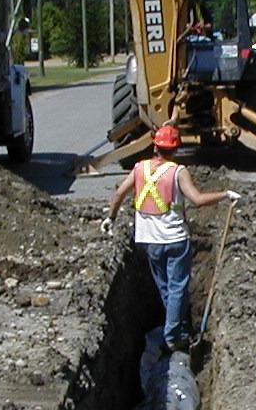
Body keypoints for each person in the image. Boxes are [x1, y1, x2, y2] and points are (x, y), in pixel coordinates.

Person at [101, 125, 241, 352]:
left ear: (155, 145)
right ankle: (173, 336)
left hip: (149, 241)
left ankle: (178, 328)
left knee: (166, 287)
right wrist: (225, 194)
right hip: (176, 239)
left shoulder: (140, 169)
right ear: (175, 148)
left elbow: (118, 193)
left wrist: (111, 218)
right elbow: (197, 199)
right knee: (177, 287)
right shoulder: (178, 171)